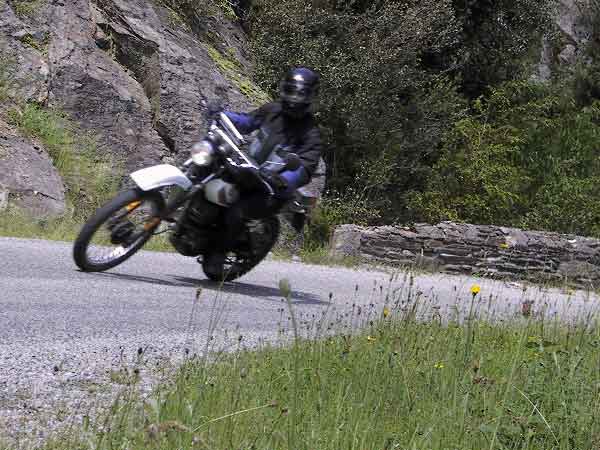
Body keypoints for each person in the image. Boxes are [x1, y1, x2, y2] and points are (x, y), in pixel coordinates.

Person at [204, 67, 323, 272]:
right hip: (245, 168)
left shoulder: (311, 135)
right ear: (284, 89)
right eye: (291, 90)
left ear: (310, 97)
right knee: (208, 171)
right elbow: (248, 122)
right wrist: (222, 115)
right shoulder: (272, 110)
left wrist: (284, 179)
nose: (294, 98)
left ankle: (218, 254)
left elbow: (304, 167)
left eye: (301, 93)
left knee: (237, 210)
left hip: (270, 189)